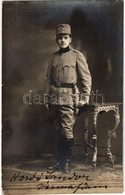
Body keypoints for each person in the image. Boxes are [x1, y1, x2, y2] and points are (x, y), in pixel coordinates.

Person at [44, 24, 92, 173]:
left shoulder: (77, 55)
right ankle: (60, 160)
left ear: (70, 39)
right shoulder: (53, 57)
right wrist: (46, 97)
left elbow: (86, 79)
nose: (63, 40)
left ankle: (66, 162)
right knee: (59, 131)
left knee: (66, 130)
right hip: (54, 97)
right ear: (56, 40)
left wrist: (84, 98)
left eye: (65, 37)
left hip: (69, 98)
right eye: (60, 38)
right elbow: (48, 80)